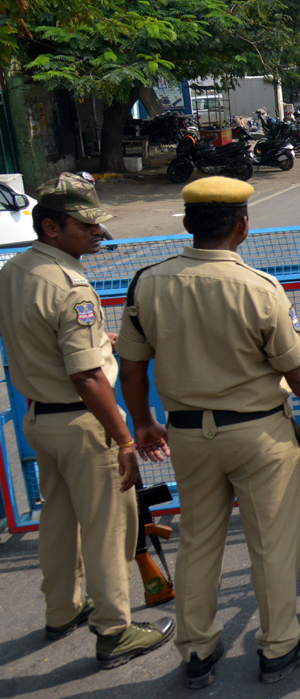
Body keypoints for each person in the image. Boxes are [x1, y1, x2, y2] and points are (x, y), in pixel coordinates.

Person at [117, 176, 300, 688]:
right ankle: (278, 646)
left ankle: (197, 652)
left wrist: (143, 422)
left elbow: (131, 370)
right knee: (271, 541)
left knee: (199, 540)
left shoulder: (148, 283)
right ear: (242, 227)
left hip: (187, 436)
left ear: (188, 224)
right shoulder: (259, 288)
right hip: (258, 433)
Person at [0, 173, 175, 669]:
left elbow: (42, 340)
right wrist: (123, 438)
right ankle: (116, 631)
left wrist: (102, 345)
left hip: (39, 418)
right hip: (82, 423)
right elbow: (86, 377)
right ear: (52, 228)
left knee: (56, 521)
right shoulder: (71, 287)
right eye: (86, 225)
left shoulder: (16, 271)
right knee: (107, 528)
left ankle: (63, 608)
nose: (98, 232)